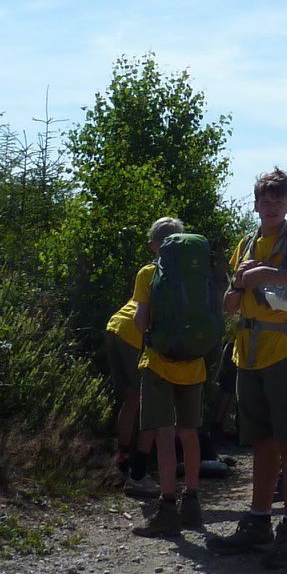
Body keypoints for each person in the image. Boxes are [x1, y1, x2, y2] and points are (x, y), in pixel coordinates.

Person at [205, 168, 287, 567]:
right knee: (261, 441)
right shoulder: (247, 243)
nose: (271, 207)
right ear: (255, 204)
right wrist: (239, 286)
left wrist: (267, 273)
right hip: (249, 352)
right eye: (265, 200)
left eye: (279, 201)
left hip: (285, 353)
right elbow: (229, 305)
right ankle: (259, 521)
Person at [130, 216, 208, 537]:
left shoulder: (149, 273)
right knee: (189, 434)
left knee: (165, 434)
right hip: (194, 364)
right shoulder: (199, 272)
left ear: (154, 245)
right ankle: (192, 503)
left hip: (159, 364)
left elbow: (139, 322)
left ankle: (167, 508)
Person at [103, 236, 157, 489]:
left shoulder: (149, 269)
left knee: (132, 399)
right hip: (133, 336)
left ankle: (122, 461)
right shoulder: (168, 273)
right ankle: (138, 473)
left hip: (115, 327)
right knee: (151, 405)